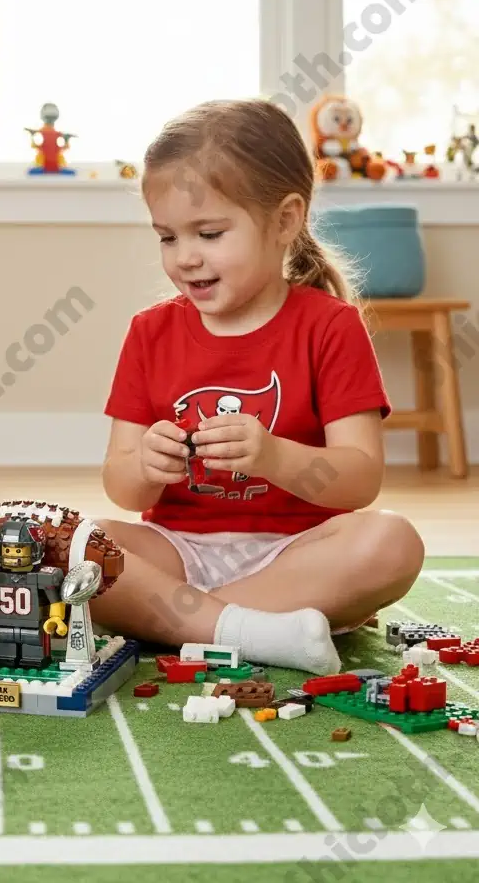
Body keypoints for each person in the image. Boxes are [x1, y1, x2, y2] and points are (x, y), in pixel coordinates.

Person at [90, 99, 424, 675]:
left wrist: (273, 456)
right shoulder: (150, 332)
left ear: (286, 220)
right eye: (167, 237)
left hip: (296, 556)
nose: (186, 257)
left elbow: (360, 478)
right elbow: (124, 488)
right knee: (78, 544)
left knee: (394, 542)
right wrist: (145, 465)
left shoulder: (330, 326)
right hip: (179, 554)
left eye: (210, 233)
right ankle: (257, 631)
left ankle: (192, 626)